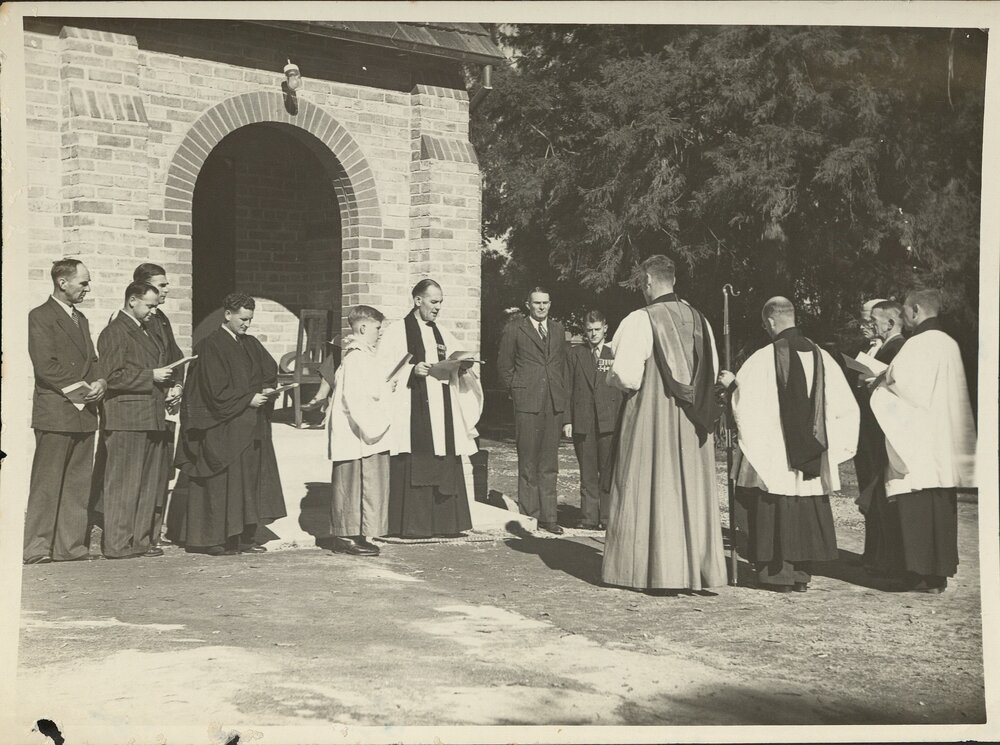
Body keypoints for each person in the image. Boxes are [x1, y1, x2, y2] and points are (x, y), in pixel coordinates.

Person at [602, 255, 727, 591]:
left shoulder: (640, 319)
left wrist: (610, 379)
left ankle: (649, 571)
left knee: (648, 484)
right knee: (688, 490)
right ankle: (693, 572)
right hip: (694, 421)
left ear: (646, 281)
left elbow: (626, 376)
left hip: (651, 417)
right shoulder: (702, 321)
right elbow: (711, 372)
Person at [718, 296, 859, 593]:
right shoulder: (822, 356)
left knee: (775, 503)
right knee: (803, 505)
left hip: (778, 456)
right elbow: (844, 405)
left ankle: (777, 575)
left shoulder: (763, 357)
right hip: (810, 455)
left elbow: (747, 404)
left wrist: (732, 386)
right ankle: (800, 575)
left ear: (770, 321)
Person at [870, 288, 976, 593]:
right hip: (943, 437)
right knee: (940, 508)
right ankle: (938, 574)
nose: (904, 317)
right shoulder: (950, 344)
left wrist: (881, 380)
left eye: (904, 311)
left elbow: (904, 384)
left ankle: (914, 573)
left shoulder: (918, 345)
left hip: (918, 440)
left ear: (916, 310)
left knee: (914, 506)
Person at [170, 292, 287, 555]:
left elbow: (269, 370)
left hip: (248, 426)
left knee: (246, 483)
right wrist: (248, 399)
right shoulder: (210, 345)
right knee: (222, 484)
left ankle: (242, 538)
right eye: (243, 319)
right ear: (228, 315)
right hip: (223, 426)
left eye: (250, 319)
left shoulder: (251, 343)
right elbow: (215, 391)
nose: (247, 324)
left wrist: (268, 390)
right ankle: (213, 539)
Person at [377, 279, 483, 538]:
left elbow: (455, 359)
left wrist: (463, 365)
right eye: (433, 302)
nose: (437, 308)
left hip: (442, 407)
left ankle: (446, 524)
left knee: (444, 459)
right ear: (417, 300)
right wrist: (412, 370)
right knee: (417, 459)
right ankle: (414, 526)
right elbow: (383, 371)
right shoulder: (397, 331)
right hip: (412, 407)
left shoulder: (442, 333)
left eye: (440, 303)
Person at [24, 259, 108, 564]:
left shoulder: (81, 319)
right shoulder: (40, 317)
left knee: (77, 483)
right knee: (47, 483)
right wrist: (84, 389)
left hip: (84, 413)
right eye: (83, 282)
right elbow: (46, 366)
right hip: (57, 411)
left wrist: (100, 381)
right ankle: (36, 549)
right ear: (63, 282)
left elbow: (93, 359)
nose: (87, 287)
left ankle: (70, 547)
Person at [96, 282, 176, 559]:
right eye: (150, 305)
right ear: (132, 300)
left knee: (145, 483)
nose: (154, 311)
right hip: (126, 417)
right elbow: (111, 376)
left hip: (151, 415)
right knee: (123, 483)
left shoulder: (147, 330)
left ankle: (140, 541)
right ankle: (118, 545)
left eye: (156, 306)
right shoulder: (115, 331)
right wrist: (150, 376)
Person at [497, 287, 570, 534]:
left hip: (553, 403)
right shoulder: (515, 329)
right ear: (528, 304)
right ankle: (530, 517)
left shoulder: (559, 330)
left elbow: (562, 367)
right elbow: (504, 366)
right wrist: (518, 391)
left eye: (545, 303)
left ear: (550, 304)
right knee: (528, 461)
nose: (541, 307)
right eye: (536, 303)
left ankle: (550, 517)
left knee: (549, 463)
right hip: (527, 404)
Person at [325, 306, 396, 556]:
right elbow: (356, 400)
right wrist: (379, 419)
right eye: (377, 329)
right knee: (352, 483)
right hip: (357, 433)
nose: (379, 334)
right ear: (363, 328)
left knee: (365, 485)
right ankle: (346, 536)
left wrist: (387, 386)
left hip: (364, 432)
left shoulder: (365, 357)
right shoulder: (356, 358)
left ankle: (360, 533)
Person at [131, 263, 185, 548]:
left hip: (166, 404)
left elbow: (174, 355)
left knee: (162, 468)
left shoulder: (161, 318)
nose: (166, 290)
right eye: (161, 285)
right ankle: (141, 533)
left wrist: (177, 385)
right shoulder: (137, 322)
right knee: (144, 471)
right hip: (145, 405)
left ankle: (154, 530)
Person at [854, 300, 907, 575]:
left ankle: (885, 555)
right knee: (869, 493)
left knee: (880, 492)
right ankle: (872, 551)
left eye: (873, 319)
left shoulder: (899, 348)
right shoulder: (872, 347)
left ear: (889, 322)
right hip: (868, 431)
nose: (869, 325)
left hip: (882, 431)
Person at [564, 310, 623, 530]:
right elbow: (567, 387)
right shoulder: (575, 354)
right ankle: (589, 517)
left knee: (608, 471)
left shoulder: (614, 352)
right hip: (584, 421)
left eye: (597, 329)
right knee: (587, 472)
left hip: (609, 420)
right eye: (589, 330)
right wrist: (567, 420)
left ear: (605, 328)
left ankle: (607, 517)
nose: (593, 334)